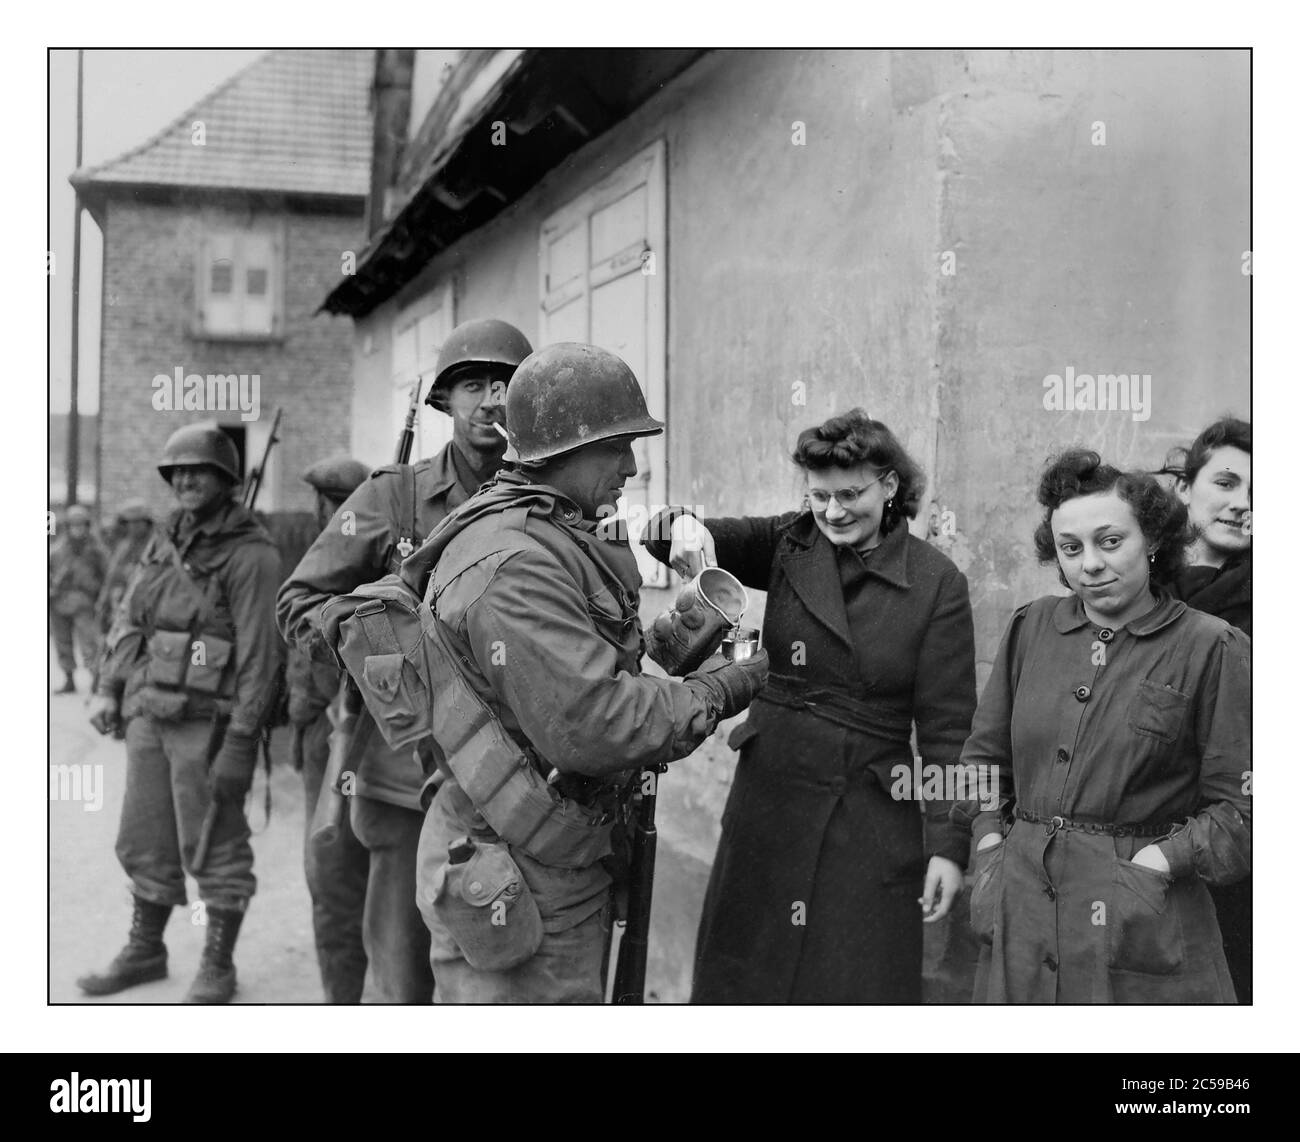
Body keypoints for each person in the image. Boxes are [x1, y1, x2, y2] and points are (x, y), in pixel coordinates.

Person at [408, 342, 769, 1003]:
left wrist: (681, 635)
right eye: (617, 447)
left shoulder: (562, 525)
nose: (631, 466)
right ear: (561, 452)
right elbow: (597, 725)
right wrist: (722, 687)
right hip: (520, 862)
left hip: (559, 851)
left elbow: (600, 654)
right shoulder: (515, 562)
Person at [643, 407, 976, 1003]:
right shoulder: (789, 540)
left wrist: (949, 849)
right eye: (819, 496)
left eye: (850, 494)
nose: (834, 512)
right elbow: (662, 532)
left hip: (868, 817)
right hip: (769, 800)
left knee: (847, 985)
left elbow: (951, 730)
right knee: (746, 983)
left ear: (891, 485)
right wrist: (683, 528)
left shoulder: (936, 582)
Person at [277, 317, 533, 1003]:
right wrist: (375, 645)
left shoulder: (552, 500)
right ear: (445, 403)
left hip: (526, 771)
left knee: (502, 968)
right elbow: (300, 600)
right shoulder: (390, 497)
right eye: (472, 385)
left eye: (506, 385)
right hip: (407, 771)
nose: (491, 401)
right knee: (402, 969)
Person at [952, 449, 1251, 1003]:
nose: (1089, 563)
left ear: (1154, 540)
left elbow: (1245, 808)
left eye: (1110, 541)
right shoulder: (1031, 627)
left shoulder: (1212, 646)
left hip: (1142, 924)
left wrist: (1156, 864)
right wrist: (991, 842)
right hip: (1022, 914)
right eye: (1071, 548)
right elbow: (981, 764)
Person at [81, 423, 284, 1003]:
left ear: (227, 480)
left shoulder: (252, 554)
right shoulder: (163, 539)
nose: (187, 479)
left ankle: (218, 962)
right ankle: (145, 949)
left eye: (201, 471)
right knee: (143, 837)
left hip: (210, 724)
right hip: (150, 712)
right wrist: (108, 687)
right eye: (178, 472)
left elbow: (260, 660)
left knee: (215, 842)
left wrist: (243, 744)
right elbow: (130, 616)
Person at [1162, 417, 1252, 1002]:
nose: (1243, 504)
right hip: (1133, 841)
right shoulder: (1129, 588)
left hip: (1240, 852)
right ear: (1183, 489)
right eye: (1226, 482)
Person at [285, 454, 373, 1003]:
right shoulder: (315, 564)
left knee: (343, 876)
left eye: (336, 503)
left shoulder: (373, 563)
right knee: (330, 876)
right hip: (320, 735)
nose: (330, 513)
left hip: (359, 737)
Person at [49, 503, 108, 693]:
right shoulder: (56, 551)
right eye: (74, 525)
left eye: (81, 525)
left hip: (84, 603)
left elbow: (108, 577)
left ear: (87, 526)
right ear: (67, 527)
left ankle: (96, 679)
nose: (77, 529)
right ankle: (68, 679)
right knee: (62, 643)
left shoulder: (97, 551)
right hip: (59, 603)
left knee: (89, 643)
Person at [96, 500, 154, 636]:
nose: (133, 527)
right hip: (122, 607)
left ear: (147, 523)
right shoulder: (124, 547)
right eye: (129, 523)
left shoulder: (156, 546)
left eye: (138, 522)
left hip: (147, 607)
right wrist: (103, 604)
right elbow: (112, 578)